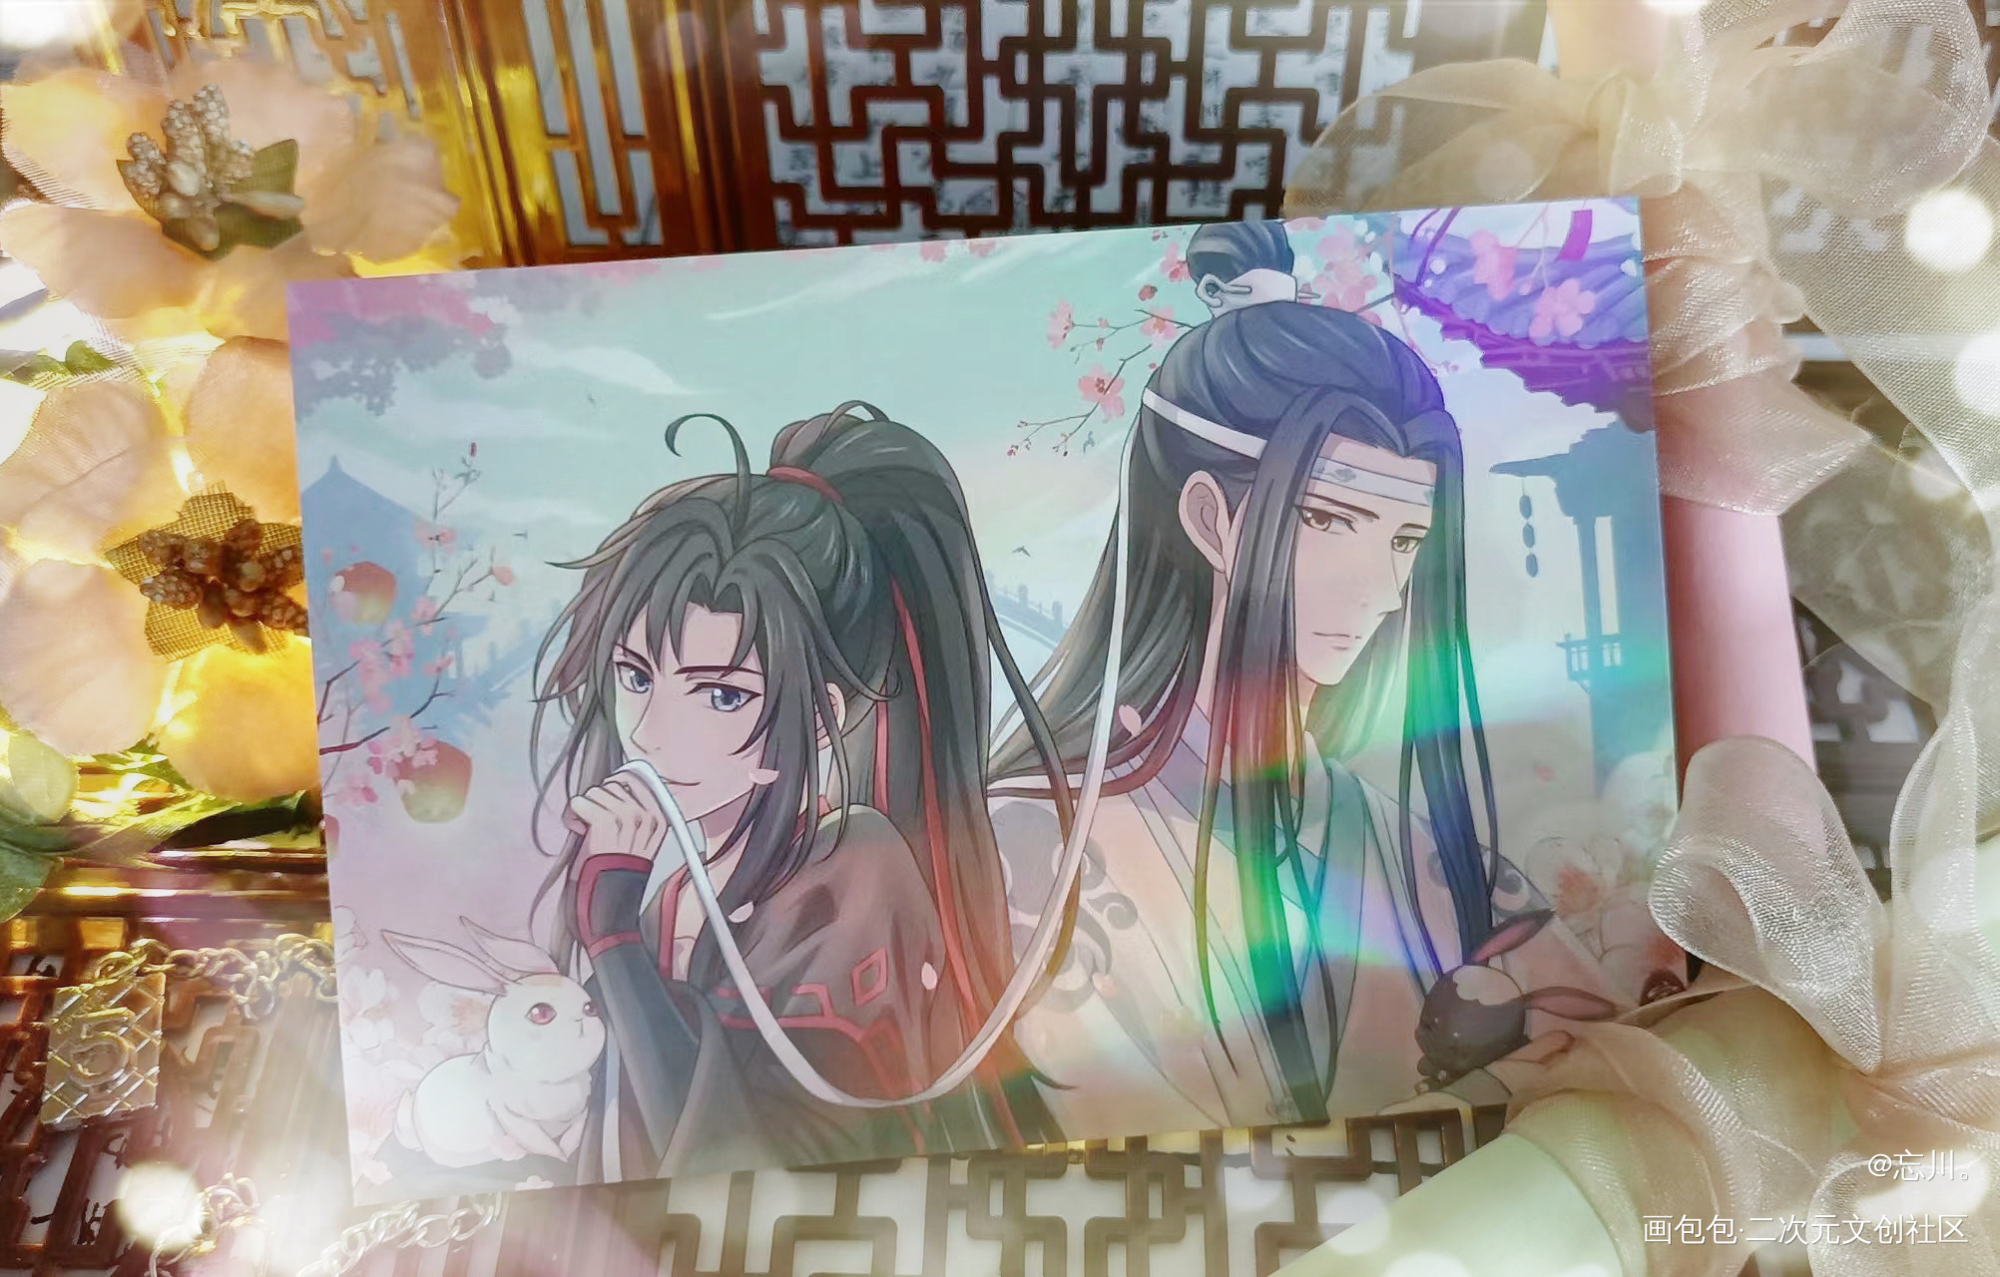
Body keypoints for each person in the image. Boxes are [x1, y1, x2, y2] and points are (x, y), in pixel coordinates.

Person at [991, 288, 1619, 1136]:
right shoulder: (1034, 846)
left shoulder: (1418, 851)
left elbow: (1616, 1060)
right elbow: (1143, 1156)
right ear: (1211, 519)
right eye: (1330, 519)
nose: (1383, 590)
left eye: (1405, 541)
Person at [531, 403, 1072, 1183]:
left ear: (821, 717)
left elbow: (762, 1166)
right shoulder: (669, 892)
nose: (650, 732)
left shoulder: (854, 877)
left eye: (721, 694)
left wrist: (614, 941)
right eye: (636, 676)